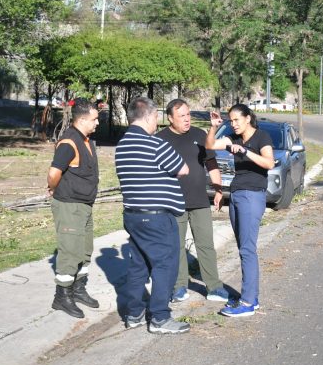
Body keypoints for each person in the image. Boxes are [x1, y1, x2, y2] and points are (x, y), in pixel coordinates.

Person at [115, 96, 191, 334]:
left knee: (138, 266)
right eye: (156, 117)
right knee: (165, 265)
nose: (156, 123)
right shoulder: (155, 144)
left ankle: (134, 313)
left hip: (133, 215)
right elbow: (183, 169)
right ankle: (159, 317)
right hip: (157, 217)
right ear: (148, 116)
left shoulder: (122, 146)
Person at [156, 99, 230, 303]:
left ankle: (214, 286)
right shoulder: (160, 139)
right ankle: (179, 286)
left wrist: (218, 189)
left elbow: (212, 163)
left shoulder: (199, 135)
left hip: (199, 201)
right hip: (173, 202)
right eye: (182, 116)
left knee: (205, 244)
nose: (187, 119)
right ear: (170, 118)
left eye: (188, 115)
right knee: (176, 246)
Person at [205, 103, 274, 317]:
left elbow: (269, 163)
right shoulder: (233, 138)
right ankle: (251, 297)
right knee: (242, 247)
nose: (233, 124)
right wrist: (214, 127)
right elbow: (210, 145)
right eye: (230, 120)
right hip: (235, 195)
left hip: (252, 196)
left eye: (236, 120)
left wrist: (246, 151)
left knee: (247, 249)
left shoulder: (261, 137)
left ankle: (248, 302)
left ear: (247, 118)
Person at [47, 97, 101, 318]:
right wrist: (53, 189)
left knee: (84, 251)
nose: (97, 123)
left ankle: (78, 290)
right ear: (82, 119)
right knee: (70, 252)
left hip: (84, 206)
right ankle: (62, 297)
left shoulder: (86, 139)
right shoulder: (69, 142)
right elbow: (53, 174)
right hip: (70, 206)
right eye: (95, 119)